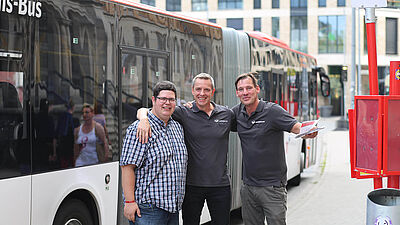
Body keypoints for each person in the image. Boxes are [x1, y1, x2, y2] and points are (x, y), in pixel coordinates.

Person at [136, 73, 236, 225]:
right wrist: (143, 119)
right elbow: (147, 109)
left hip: (220, 186)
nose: (202, 94)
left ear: (213, 91)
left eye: (206, 90)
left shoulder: (226, 114)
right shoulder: (183, 112)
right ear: (193, 90)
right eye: (198, 89)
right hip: (191, 186)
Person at [232, 72, 317, 225]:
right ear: (237, 93)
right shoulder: (237, 113)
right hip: (248, 187)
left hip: (272, 187)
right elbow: (215, 116)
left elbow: (296, 127)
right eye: (241, 89)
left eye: (249, 88)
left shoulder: (272, 111)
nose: (245, 92)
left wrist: (308, 131)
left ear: (257, 89)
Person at [120, 81, 187, 225]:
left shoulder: (177, 127)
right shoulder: (139, 129)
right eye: (163, 99)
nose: (167, 103)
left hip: (172, 209)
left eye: (171, 99)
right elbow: (127, 167)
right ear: (154, 100)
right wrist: (129, 202)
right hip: (148, 210)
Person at [56, 100, 79, 168]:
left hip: (62, 146)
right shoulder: (75, 120)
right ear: (73, 107)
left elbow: (56, 134)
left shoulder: (61, 118)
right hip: (71, 147)